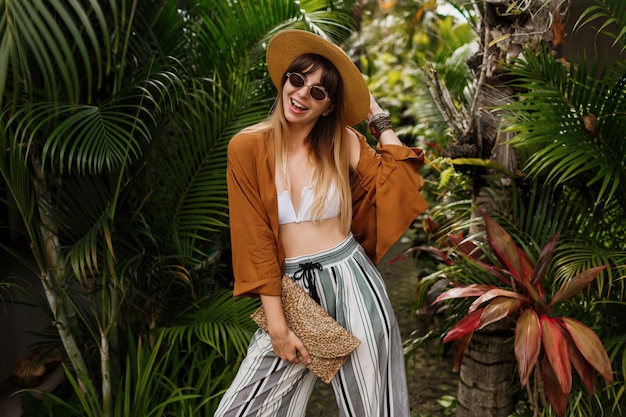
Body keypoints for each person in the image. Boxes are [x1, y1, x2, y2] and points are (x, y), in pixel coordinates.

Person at [215, 29, 428, 417]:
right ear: (285, 80)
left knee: (373, 408)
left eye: (318, 91)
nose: (302, 94)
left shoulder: (342, 142)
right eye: (298, 80)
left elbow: (398, 183)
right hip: (293, 293)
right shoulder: (247, 147)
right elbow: (255, 240)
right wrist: (277, 328)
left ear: (329, 106)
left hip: (355, 284)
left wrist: (376, 117)